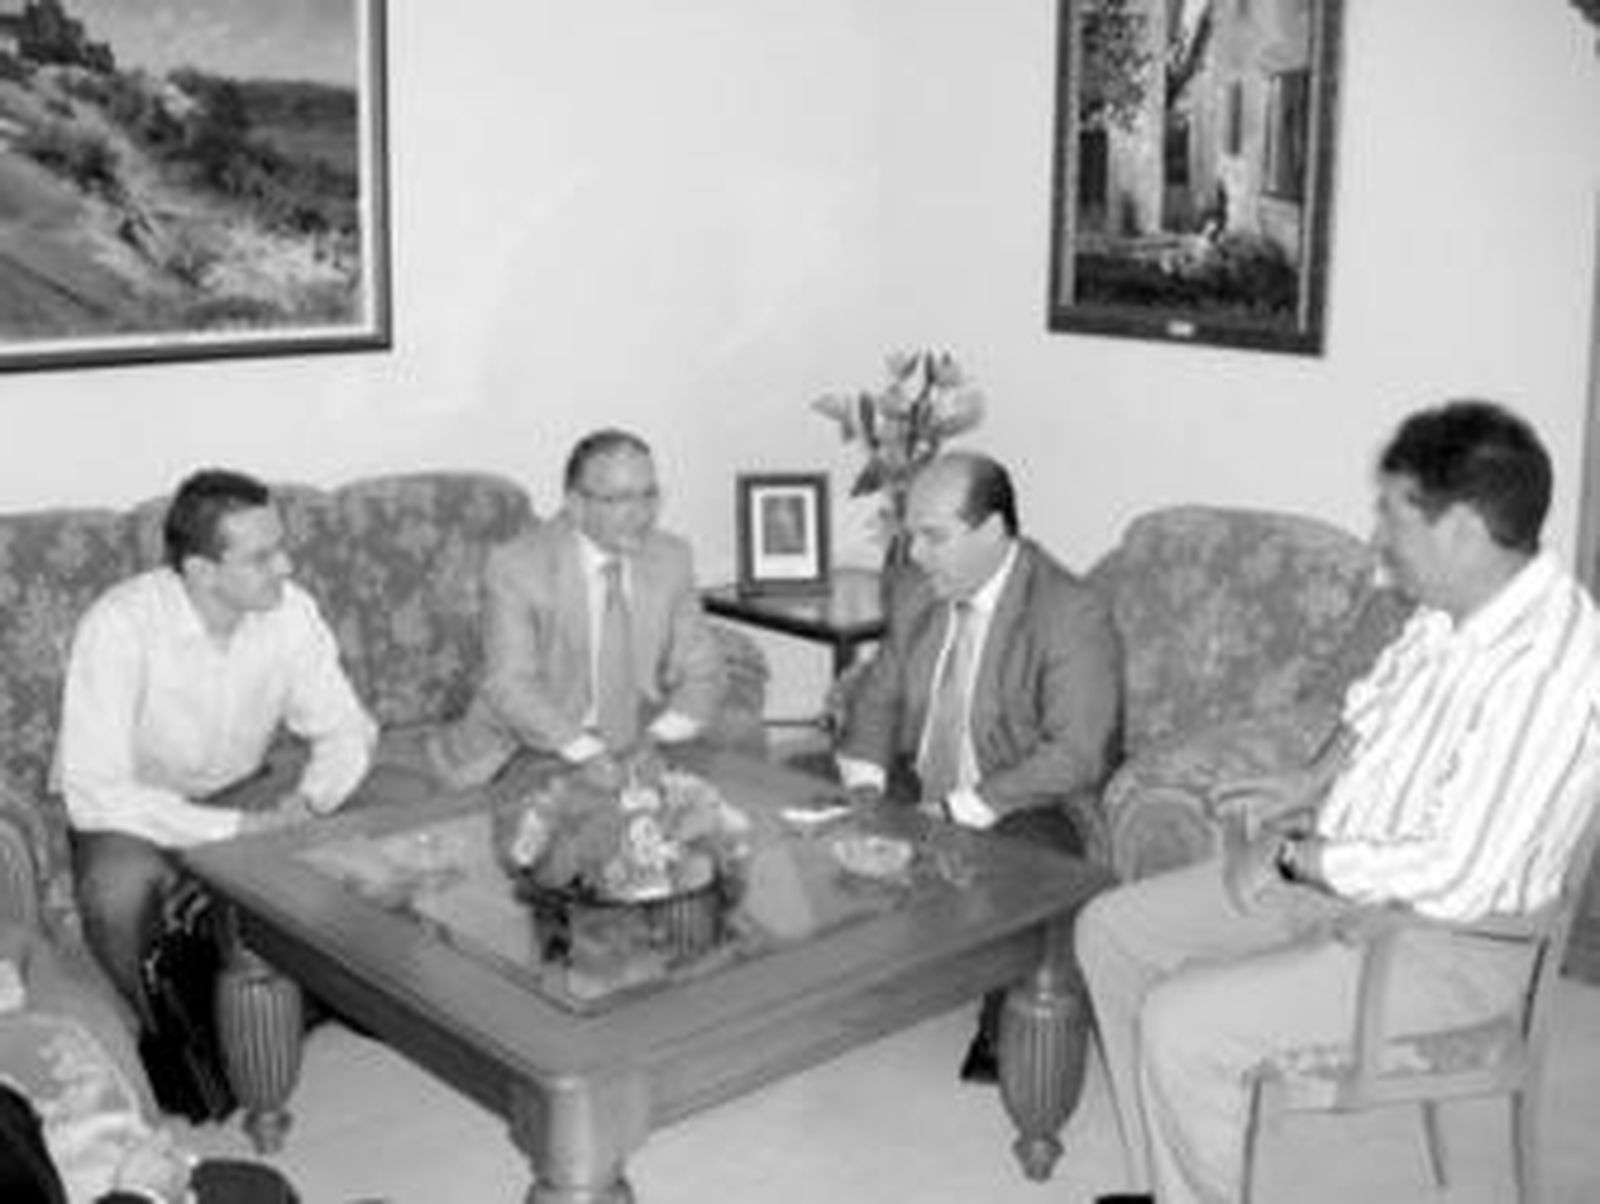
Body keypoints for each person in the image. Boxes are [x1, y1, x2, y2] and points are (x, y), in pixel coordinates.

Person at [1077, 400, 1600, 1204]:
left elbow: (1456, 872)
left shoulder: (1550, 671)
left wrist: (1297, 856)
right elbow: (1372, 707)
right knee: (1112, 931)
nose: (1378, 538)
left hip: (1442, 946)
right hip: (1341, 884)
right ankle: (1165, 1187)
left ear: (1460, 527)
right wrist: (1306, 783)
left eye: (1394, 515)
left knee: (1186, 1023)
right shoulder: (1452, 611)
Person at [53, 469, 378, 1030]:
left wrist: (309, 805)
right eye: (262, 556)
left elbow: (347, 729)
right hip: (135, 810)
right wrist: (238, 830)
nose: (287, 567)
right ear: (201, 571)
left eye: (282, 548)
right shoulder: (120, 624)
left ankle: (333, 997)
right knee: (117, 893)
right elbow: (94, 792)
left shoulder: (290, 610)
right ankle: (168, 1036)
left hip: (249, 785)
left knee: (387, 817)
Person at [836, 450, 1122, 1083]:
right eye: (910, 534)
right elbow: (881, 692)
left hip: (1029, 798)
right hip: (927, 777)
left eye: (933, 537)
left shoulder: (1069, 611)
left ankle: (1007, 1019)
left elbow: (1077, 753)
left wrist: (958, 811)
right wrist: (864, 789)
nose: (914, 554)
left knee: (1027, 871)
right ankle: (849, 976)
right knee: (811, 810)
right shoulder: (916, 587)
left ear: (993, 531)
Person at [430, 428, 727, 787]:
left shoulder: (671, 557)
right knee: (589, 821)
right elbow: (511, 685)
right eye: (619, 499)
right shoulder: (518, 567)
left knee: (711, 813)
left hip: (637, 734)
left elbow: (702, 667)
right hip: (534, 740)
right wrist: (587, 752)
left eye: (649, 495)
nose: (641, 514)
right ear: (575, 504)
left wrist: (658, 738)